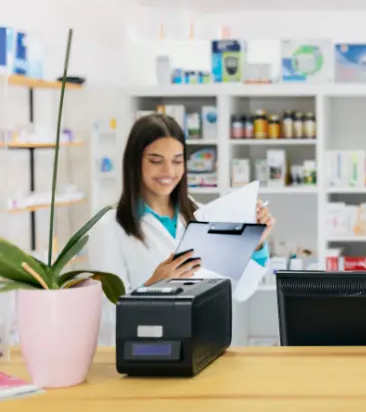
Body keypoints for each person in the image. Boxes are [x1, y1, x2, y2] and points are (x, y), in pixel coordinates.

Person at [92, 113, 275, 294]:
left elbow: (239, 291)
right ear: (134, 162)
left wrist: (256, 245)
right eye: (156, 161)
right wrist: (154, 285)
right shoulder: (109, 227)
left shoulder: (202, 215)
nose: (168, 171)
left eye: (177, 161)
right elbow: (110, 313)